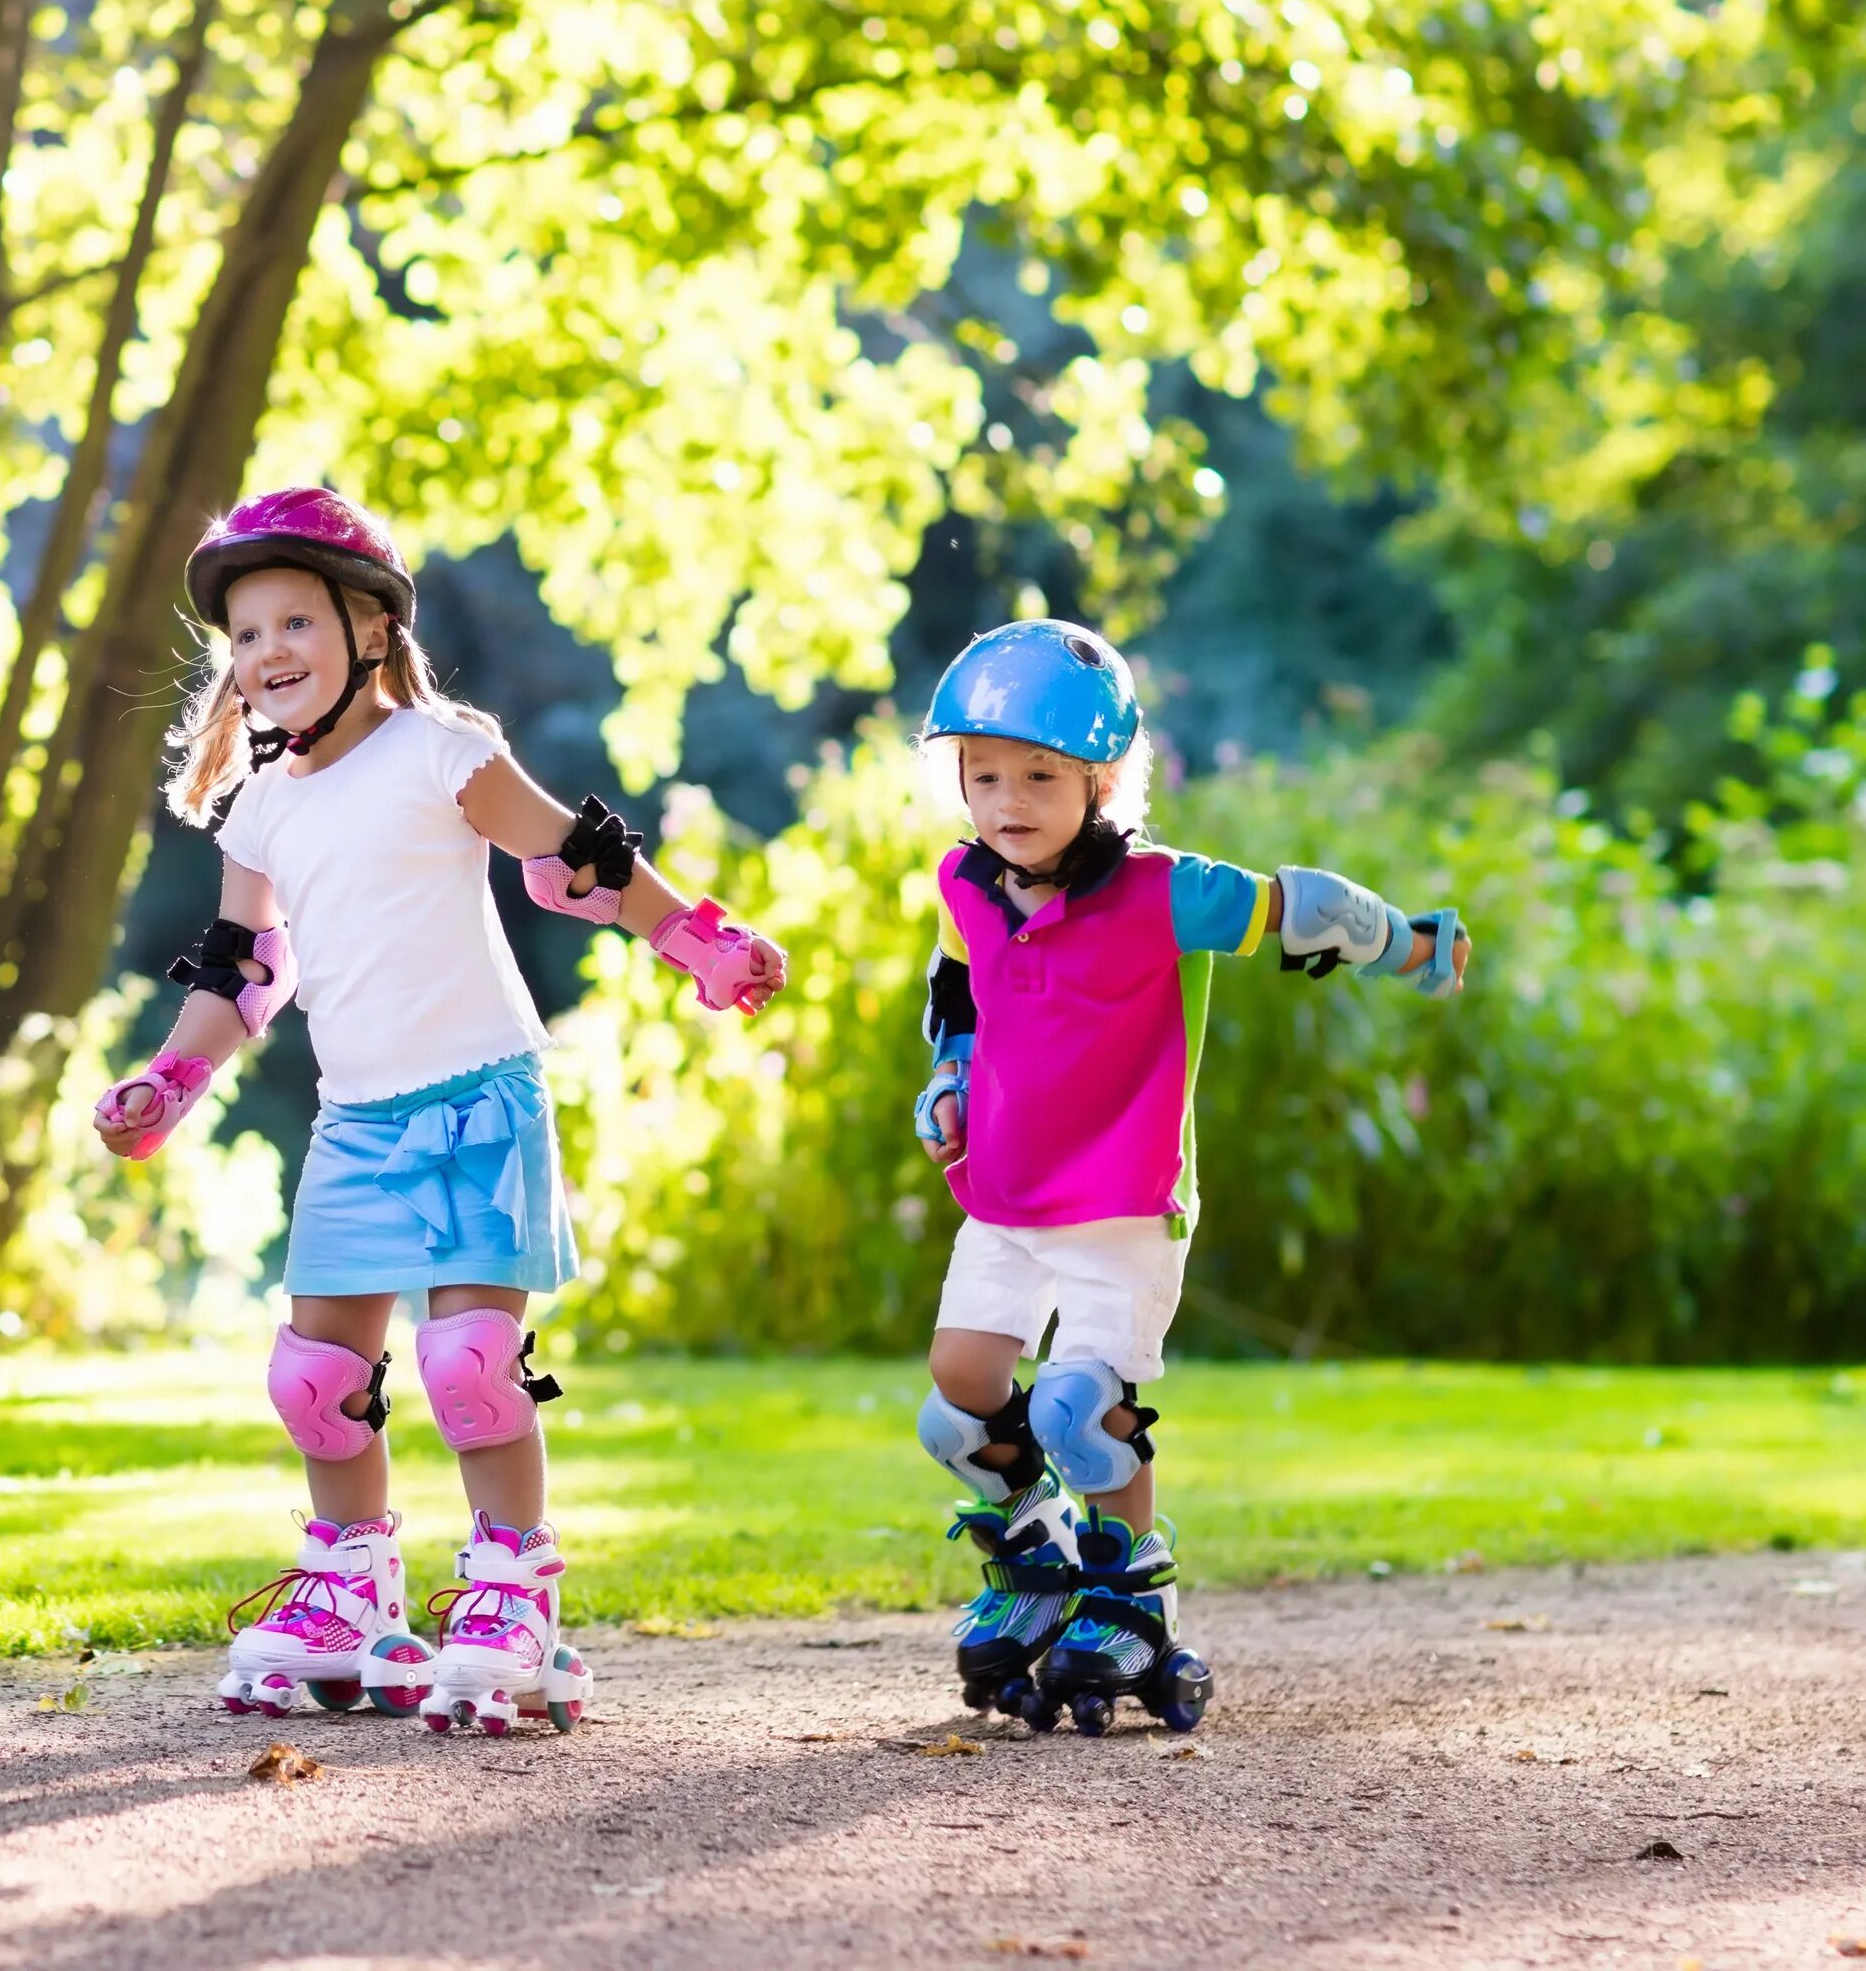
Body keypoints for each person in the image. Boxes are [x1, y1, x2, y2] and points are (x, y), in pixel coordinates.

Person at [93, 487, 787, 1737]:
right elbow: (247, 971)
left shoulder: (440, 748)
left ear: (371, 625)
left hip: (480, 1098)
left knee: (470, 1366)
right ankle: (352, 1590)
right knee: (315, 1375)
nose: (268, 655)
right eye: (246, 636)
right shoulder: (262, 807)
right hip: (355, 1121)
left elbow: (577, 858)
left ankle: (514, 1591)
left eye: (295, 620)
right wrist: (169, 1081)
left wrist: (699, 937)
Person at [909, 620, 1472, 1736]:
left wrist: (1411, 943)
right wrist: (951, 1073)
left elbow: (1295, 905)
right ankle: (1037, 1554)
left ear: (1101, 780)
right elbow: (960, 986)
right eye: (984, 775)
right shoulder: (967, 882)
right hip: (1009, 1190)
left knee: (1079, 1409)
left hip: (1124, 1198)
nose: (1008, 799)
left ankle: (1133, 1593)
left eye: (1040, 775)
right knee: (958, 1399)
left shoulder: (1161, 889)